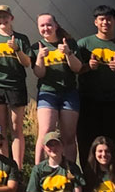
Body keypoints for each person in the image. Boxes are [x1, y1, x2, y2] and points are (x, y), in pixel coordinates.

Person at [0, 5, 33, 170]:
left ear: (11, 18)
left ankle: (18, 167)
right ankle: (4, 166)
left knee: (16, 129)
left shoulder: (21, 38)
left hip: (15, 86)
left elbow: (27, 63)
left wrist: (17, 50)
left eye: (5, 17)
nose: (2, 20)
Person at [76, 6, 115, 158]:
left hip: (112, 101)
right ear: (95, 22)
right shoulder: (83, 44)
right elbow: (75, 69)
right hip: (87, 100)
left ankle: (111, 177)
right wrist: (88, 67)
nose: (105, 22)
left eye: (109, 19)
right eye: (101, 19)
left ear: (114, 21)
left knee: (112, 141)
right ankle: (89, 178)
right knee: (86, 142)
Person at [32, 14, 84, 162]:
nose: (46, 28)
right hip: (47, 92)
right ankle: (39, 172)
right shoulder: (36, 47)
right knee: (45, 132)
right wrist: (40, 57)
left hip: (69, 93)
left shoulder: (69, 43)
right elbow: (39, 73)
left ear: (56, 26)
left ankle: (70, 172)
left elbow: (77, 68)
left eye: (49, 25)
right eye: (42, 25)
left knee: (68, 136)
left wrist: (68, 53)